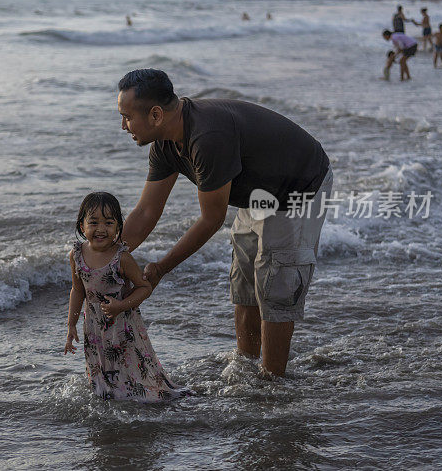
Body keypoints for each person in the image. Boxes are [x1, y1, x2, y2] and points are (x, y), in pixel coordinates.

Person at [116, 69, 332, 377]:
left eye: (126, 117)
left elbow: (211, 219)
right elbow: (147, 212)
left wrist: (160, 268)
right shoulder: (165, 143)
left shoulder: (207, 137)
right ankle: (245, 365)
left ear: (155, 114)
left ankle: (271, 384)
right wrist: (106, 256)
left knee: (276, 283)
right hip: (258, 191)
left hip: (299, 186)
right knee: (245, 281)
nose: (123, 126)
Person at [64, 192, 187, 402]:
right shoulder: (76, 255)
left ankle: (139, 398)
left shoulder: (121, 257)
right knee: (102, 367)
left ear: (118, 227)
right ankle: (108, 396)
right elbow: (77, 290)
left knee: (131, 366)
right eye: (93, 222)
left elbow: (144, 287)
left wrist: (121, 305)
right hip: (94, 325)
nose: (101, 229)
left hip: (123, 324)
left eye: (109, 223)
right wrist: (71, 325)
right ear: (82, 226)